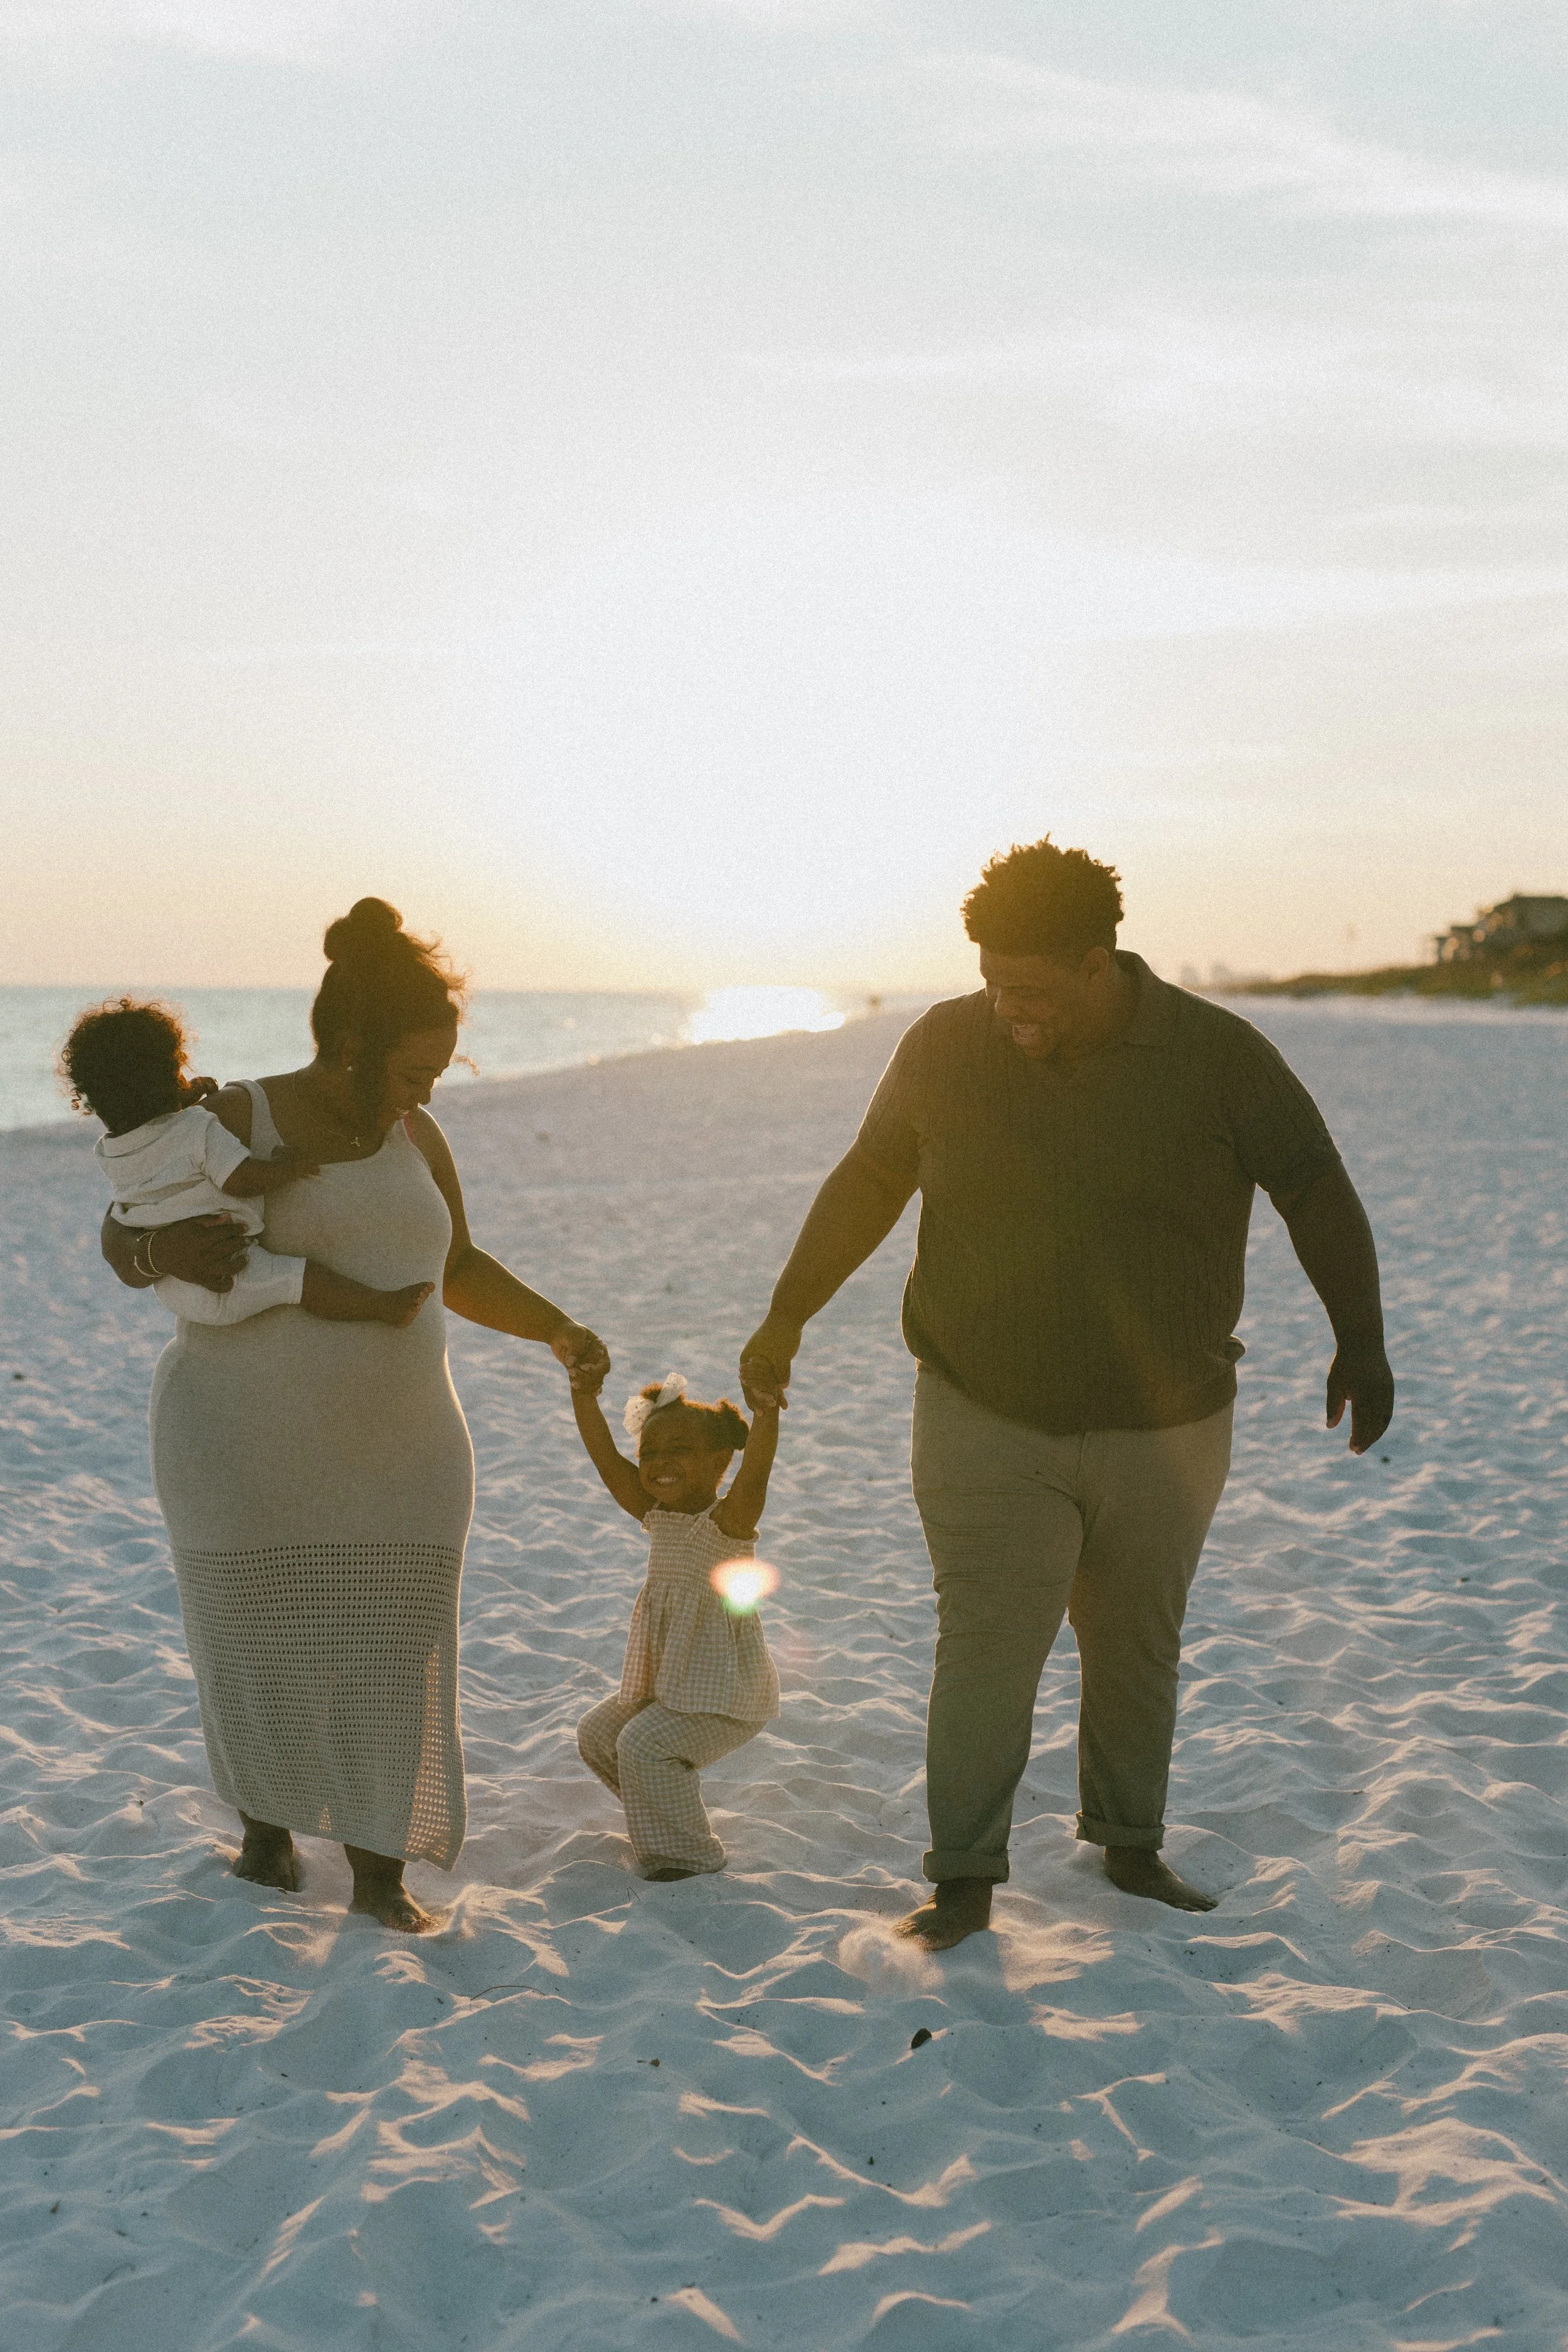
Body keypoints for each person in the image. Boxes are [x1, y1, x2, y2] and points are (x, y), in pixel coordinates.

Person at [740, 838, 1394, 1950]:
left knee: (1138, 1637)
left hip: (1172, 1418)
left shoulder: (1217, 1056)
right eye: (995, 983)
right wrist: (786, 1313)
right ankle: (963, 1878)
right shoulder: (947, 1044)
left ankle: (1130, 1847)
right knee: (989, 1637)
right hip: (981, 1405)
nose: (1010, 1011)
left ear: (1101, 963)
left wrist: (1361, 1340)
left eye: (1034, 990)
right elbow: (871, 1176)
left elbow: (1314, 1186)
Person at [100, 897, 609, 1932]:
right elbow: (120, 1234)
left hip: (401, 1450)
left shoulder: (417, 1135)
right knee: (255, 1649)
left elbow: (456, 1263)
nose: (426, 1093)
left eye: (437, 1074)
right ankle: (266, 1839)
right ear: (350, 1046)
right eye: (416, 1070)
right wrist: (159, 1256)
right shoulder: (235, 1120)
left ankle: (380, 1877)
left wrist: (560, 1330)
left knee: (393, 1655)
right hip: (238, 1445)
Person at [66, 996, 431, 1328]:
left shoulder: (110, 1150)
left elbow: (151, 1153)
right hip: (232, 1270)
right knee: (301, 1280)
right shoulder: (198, 1127)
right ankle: (378, 1306)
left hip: (178, 1289)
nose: (427, 1094)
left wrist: (157, 1253)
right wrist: (285, 1170)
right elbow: (238, 1179)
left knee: (297, 1282)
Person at [571, 1370, 781, 1880]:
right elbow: (605, 1459)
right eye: (650, 1454)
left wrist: (767, 1413)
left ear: (718, 1462)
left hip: (727, 1693)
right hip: (674, 1684)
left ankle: (688, 1858)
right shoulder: (656, 1515)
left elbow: (756, 1473)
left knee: (643, 1747)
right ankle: (671, 1818)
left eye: (679, 1450)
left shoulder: (727, 1523)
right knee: (598, 1735)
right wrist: (583, 1396)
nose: (660, 1464)